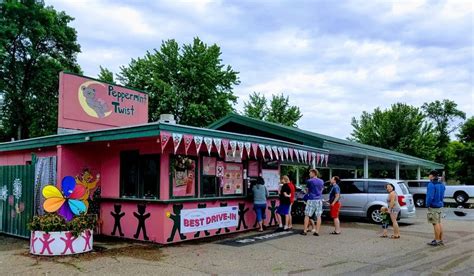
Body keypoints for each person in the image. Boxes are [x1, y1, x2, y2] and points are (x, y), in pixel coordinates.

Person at [301, 169, 324, 236]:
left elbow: (307, 191)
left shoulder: (309, 181)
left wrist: (306, 192)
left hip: (311, 199)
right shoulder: (321, 181)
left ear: (314, 173)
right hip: (319, 200)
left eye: (310, 173)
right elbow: (321, 190)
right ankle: (317, 231)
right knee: (319, 215)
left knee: (307, 215)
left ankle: (305, 231)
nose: (309, 174)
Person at [426, 170, 446, 246]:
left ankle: (436, 240)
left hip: (433, 206)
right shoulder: (441, 184)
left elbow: (430, 196)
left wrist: (427, 204)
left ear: (432, 176)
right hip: (440, 205)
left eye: (429, 175)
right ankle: (440, 240)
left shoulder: (431, 184)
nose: (429, 176)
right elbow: (443, 194)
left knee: (435, 223)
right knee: (439, 222)